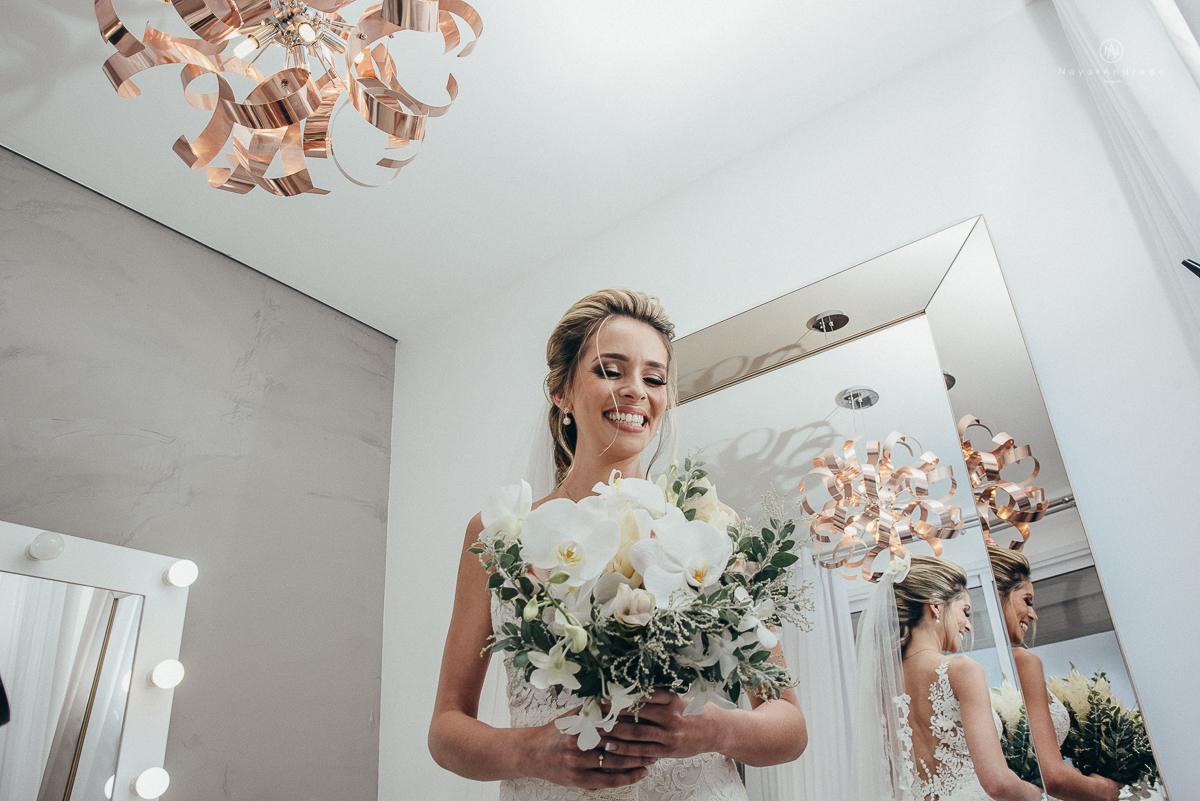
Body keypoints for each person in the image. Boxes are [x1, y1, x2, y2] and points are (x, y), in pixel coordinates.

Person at [427, 289, 807, 799]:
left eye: (653, 378)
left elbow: (788, 725)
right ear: (561, 392)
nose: (636, 391)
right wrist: (530, 751)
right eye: (610, 370)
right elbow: (446, 728)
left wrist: (707, 731)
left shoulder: (712, 527)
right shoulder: (499, 535)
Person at [853, 555, 1043, 801]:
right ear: (935, 606)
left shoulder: (880, 688)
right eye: (965, 611)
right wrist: (1038, 792)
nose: (968, 625)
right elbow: (998, 785)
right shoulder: (962, 670)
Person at [987, 547, 1121, 801]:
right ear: (998, 595)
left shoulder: (968, 668)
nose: (1034, 615)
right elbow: (1052, 776)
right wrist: (1104, 790)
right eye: (1027, 600)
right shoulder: (1023, 663)